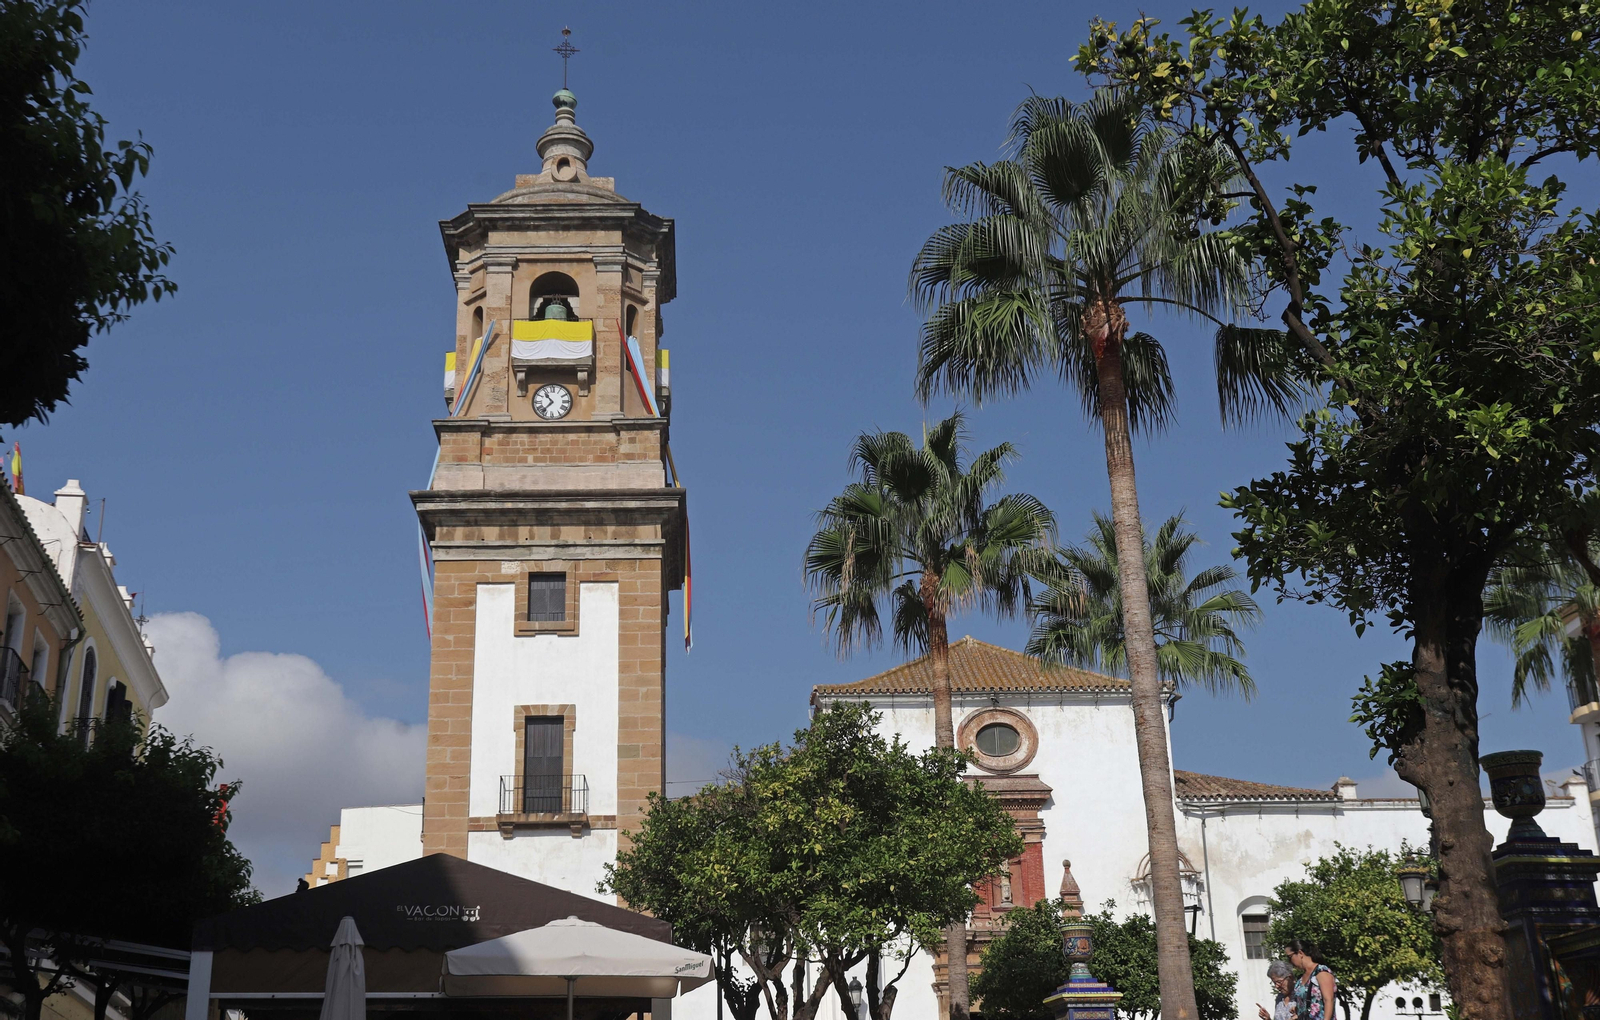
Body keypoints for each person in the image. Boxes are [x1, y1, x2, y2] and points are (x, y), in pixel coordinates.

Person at [1287, 939, 1337, 1020]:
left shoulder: (1321, 972)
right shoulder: (1301, 978)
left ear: (1300, 953)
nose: (1289, 962)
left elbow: (1328, 1000)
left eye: (1290, 957)